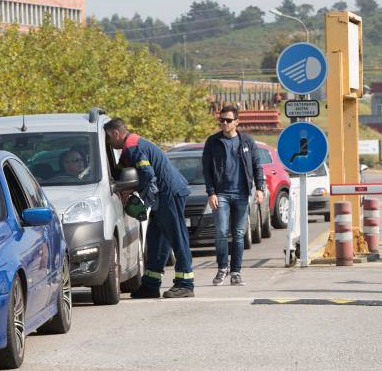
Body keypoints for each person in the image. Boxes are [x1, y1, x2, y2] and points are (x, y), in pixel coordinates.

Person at [103, 118, 195, 299]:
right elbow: (119, 173)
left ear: (116, 133)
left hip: (170, 194)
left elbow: (147, 174)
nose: (108, 143)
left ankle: (185, 284)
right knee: (156, 241)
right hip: (162, 197)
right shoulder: (128, 149)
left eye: (108, 138)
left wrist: (129, 190)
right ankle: (151, 285)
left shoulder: (133, 147)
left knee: (177, 238)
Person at [202, 105, 265, 287]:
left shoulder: (247, 141)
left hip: (241, 193)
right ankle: (222, 268)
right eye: (221, 120)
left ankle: (236, 272)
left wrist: (259, 188)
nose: (224, 123)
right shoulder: (213, 142)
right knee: (221, 232)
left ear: (237, 122)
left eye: (228, 120)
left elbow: (257, 165)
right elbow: (206, 169)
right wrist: (211, 192)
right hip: (221, 193)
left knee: (238, 234)